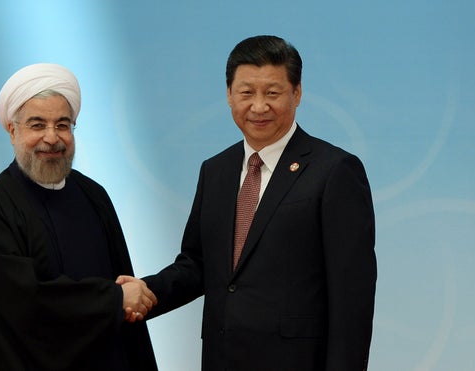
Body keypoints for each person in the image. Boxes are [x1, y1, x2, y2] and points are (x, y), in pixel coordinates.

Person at [119, 35, 376, 370]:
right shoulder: (216, 170)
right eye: (246, 93)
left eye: (272, 92)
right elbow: (196, 265)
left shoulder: (334, 170)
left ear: (296, 93)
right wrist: (144, 291)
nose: (258, 106)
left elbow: (351, 295)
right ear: (228, 95)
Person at [0, 63, 158, 370]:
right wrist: (113, 300)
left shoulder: (93, 196)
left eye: (62, 125)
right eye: (37, 125)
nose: (51, 138)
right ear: (12, 130)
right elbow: (22, 303)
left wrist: (126, 299)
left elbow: (124, 289)